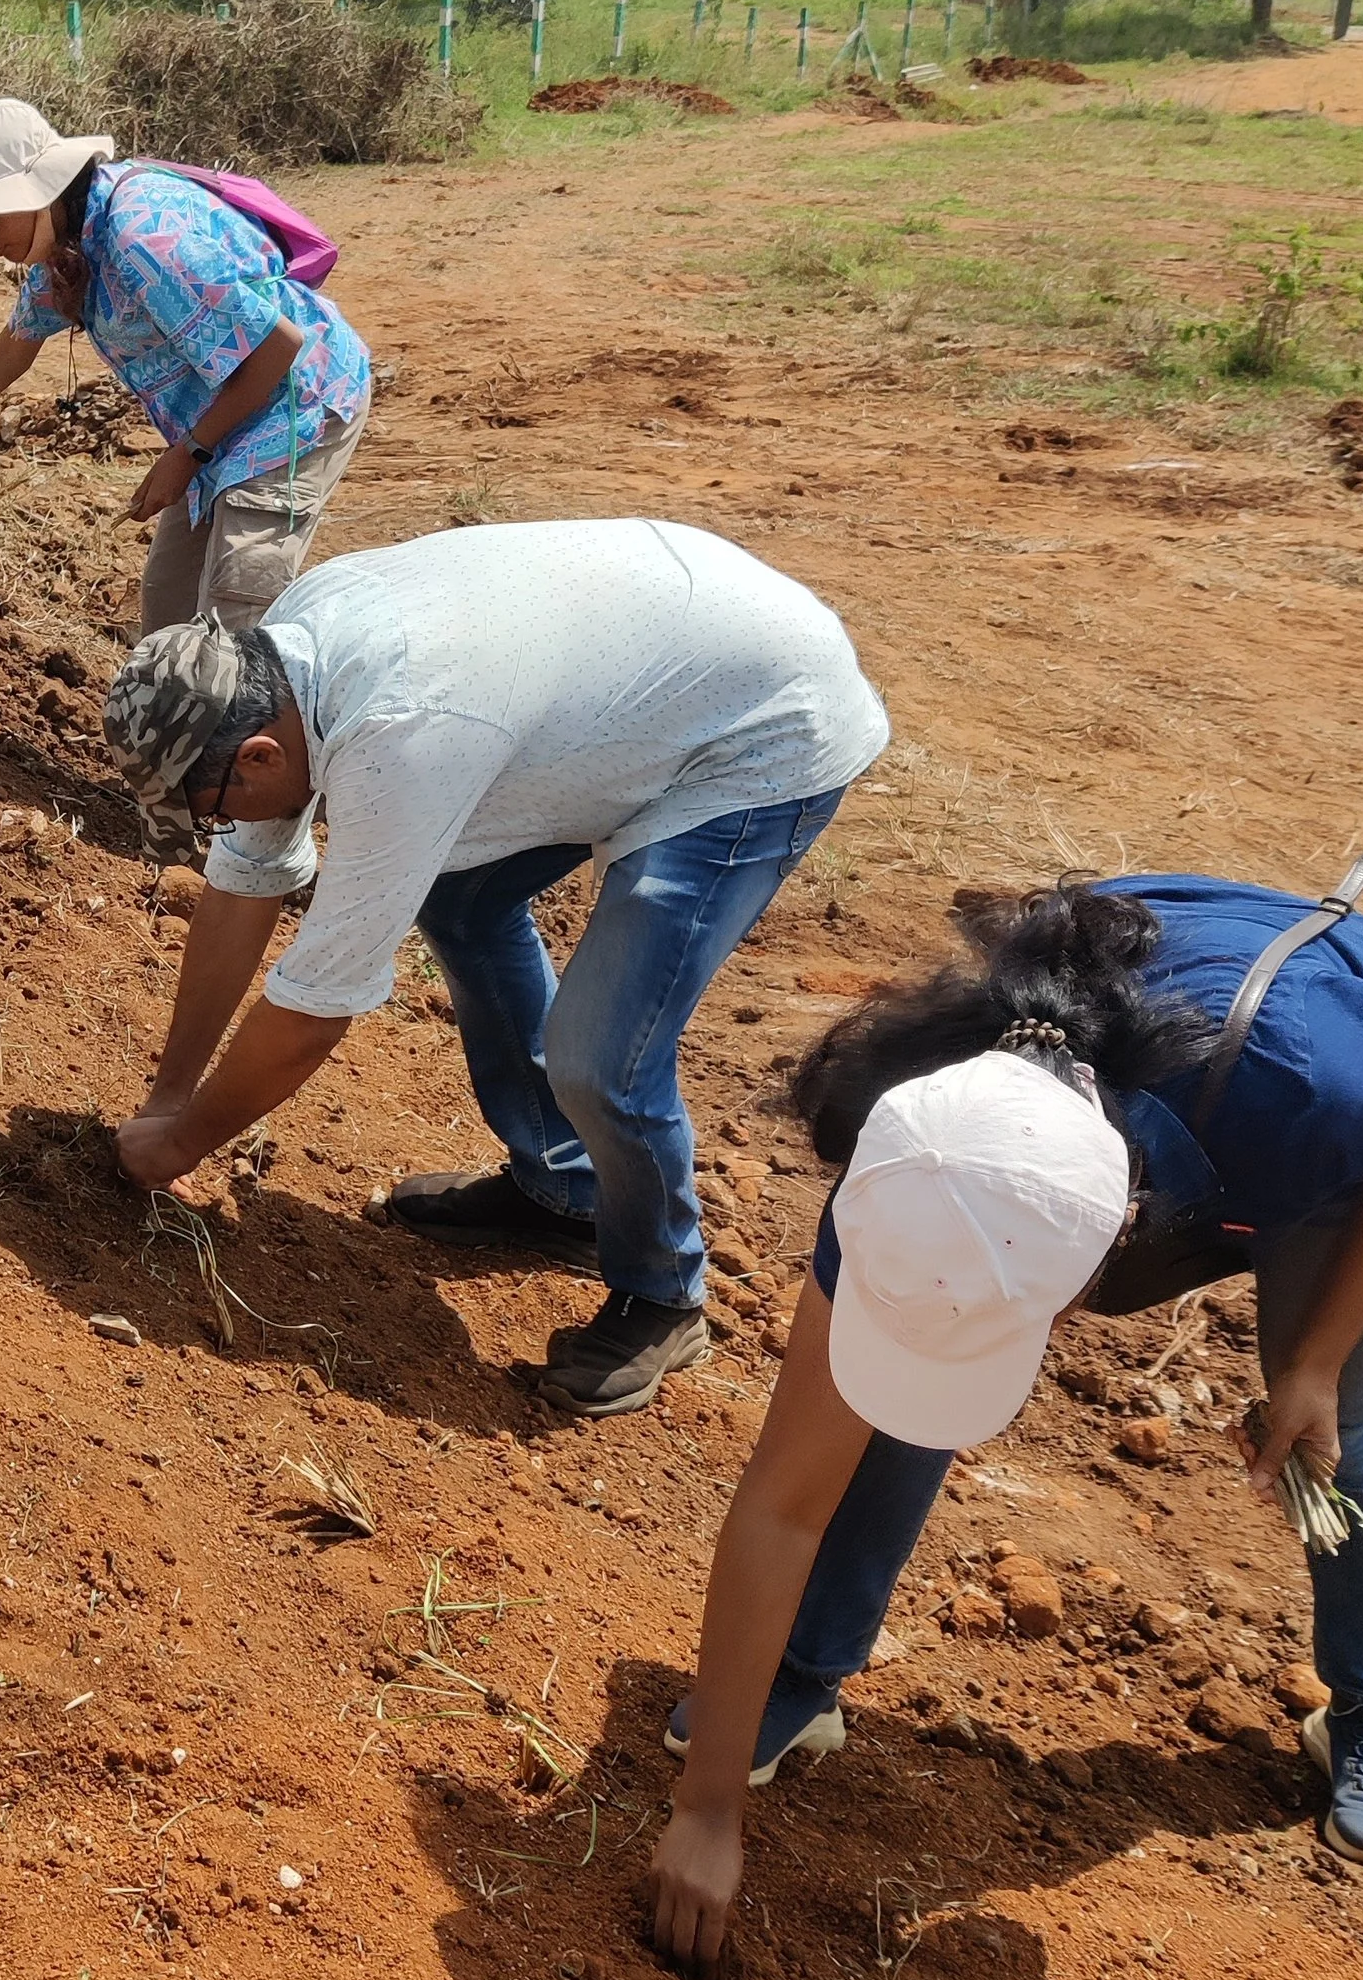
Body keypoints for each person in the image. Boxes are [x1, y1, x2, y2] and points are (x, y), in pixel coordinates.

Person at [646, 869, 1363, 1980]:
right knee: (906, 1370)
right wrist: (704, 1808)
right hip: (1147, 1100)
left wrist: (1317, 1361)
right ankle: (802, 1675)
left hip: (1326, 1122)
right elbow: (783, 1495)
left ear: (1118, 1243)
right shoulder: (923, 1158)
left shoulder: (1316, 1098)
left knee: (1358, 1452)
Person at [100, 519, 890, 1416]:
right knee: (461, 897)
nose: (221, 827)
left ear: (257, 756)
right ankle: (563, 1187)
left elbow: (314, 1010)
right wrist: (169, 1095)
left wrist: (184, 1141)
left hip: (756, 729)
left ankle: (665, 1292)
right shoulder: (276, 670)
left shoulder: (400, 734)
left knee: (604, 1055)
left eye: (212, 806)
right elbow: (244, 885)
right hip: (637, 680)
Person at [0, 98, 371, 630]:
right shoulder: (68, 247)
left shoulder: (146, 241)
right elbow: (10, 352)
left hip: (294, 410)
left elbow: (278, 348)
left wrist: (188, 454)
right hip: (218, 422)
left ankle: (274, 711)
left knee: (236, 611)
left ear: (40, 193)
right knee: (169, 607)